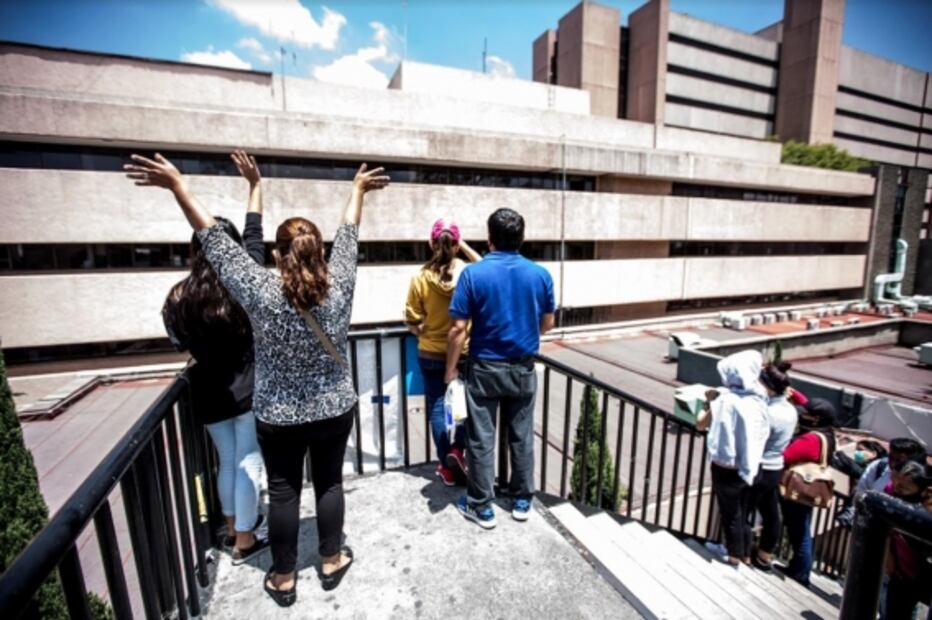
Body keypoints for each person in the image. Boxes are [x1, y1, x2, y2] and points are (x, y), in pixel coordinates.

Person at [125, 152, 389, 606]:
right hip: (333, 407)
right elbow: (350, 233)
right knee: (329, 484)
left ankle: (283, 578)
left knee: (284, 492)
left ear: (277, 255)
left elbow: (214, 241)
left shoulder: (261, 290)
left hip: (277, 415)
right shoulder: (340, 284)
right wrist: (356, 190)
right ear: (320, 251)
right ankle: (330, 560)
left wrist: (178, 187)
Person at [161, 150, 267, 565]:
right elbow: (255, 235)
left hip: (208, 391)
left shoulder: (177, 298)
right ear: (232, 250)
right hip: (249, 388)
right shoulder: (247, 285)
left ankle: (229, 528)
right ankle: (245, 540)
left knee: (228, 462)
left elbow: (177, 343)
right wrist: (256, 185)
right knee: (248, 463)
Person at [444, 208, 555, 529]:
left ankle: (482, 506)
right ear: (522, 238)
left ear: (489, 238)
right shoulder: (540, 275)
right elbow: (546, 323)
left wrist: (450, 370)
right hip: (523, 367)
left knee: (481, 438)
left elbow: (458, 329)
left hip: (484, 368)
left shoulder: (473, 275)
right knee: (521, 436)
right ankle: (522, 500)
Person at [404, 218, 481, 486]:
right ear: (457, 245)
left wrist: (420, 331)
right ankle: (458, 451)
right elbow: (486, 264)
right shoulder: (469, 274)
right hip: (463, 353)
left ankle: (446, 463)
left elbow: (412, 320)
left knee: (437, 407)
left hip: (430, 354)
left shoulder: (420, 278)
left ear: (430, 243)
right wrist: (464, 247)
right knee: (462, 406)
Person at [696, 350, 770, 566]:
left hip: (726, 466)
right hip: (753, 464)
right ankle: (745, 555)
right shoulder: (760, 397)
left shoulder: (725, 401)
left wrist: (709, 402)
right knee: (744, 511)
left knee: (730, 513)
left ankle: (734, 556)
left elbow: (701, 424)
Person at [780, 397, 838, 586]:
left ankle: (800, 572)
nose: (802, 415)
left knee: (800, 532)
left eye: (807, 414)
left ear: (816, 419)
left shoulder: (812, 438)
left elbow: (787, 456)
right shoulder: (827, 434)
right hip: (807, 490)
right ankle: (799, 569)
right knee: (801, 529)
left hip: (799, 489)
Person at [748, 361, 798, 571]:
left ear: (767, 386)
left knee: (743, 510)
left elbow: (753, 439)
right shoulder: (790, 410)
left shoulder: (767, 412)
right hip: (774, 467)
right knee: (771, 514)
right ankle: (764, 556)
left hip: (759, 466)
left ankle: (738, 553)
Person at [883, 458, 932, 620]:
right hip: (900, 577)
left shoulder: (924, 513)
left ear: (923, 490)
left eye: (904, 489)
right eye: (897, 484)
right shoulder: (894, 503)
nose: (897, 491)